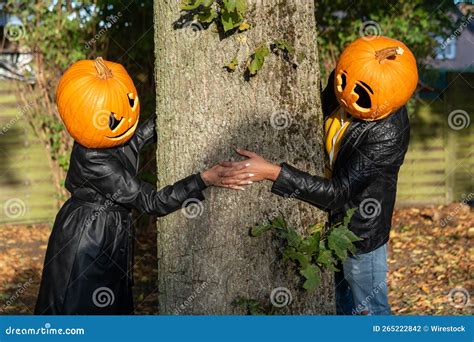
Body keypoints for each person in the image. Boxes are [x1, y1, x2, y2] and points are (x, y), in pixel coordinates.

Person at [219, 37, 417, 315]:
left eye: (359, 92)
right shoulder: (349, 80)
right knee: (340, 306)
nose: (346, 95)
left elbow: (338, 193)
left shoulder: (387, 135)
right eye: (342, 81)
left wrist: (273, 172)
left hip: (360, 233)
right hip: (328, 226)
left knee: (370, 311)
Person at [35, 58, 239, 315]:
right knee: (80, 308)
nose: (124, 116)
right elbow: (151, 202)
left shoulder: (100, 138)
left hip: (106, 231)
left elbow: (131, 139)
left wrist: (164, 116)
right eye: (111, 118)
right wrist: (203, 179)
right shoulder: (93, 158)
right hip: (88, 237)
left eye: (129, 102)